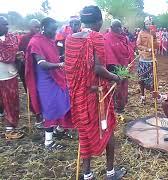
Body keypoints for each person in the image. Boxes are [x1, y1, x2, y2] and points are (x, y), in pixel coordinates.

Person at [64, 6, 126, 180]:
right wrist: (115, 77)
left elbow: (70, 70)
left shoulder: (70, 39)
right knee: (108, 128)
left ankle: (87, 174)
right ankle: (110, 173)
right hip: (97, 96)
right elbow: (98, 68)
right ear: (98, 21)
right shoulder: (96, 37)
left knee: (84, 133)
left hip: (78, 96)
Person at [25, 17, 73, 150]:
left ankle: (59, 130)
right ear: (44, 28)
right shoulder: (35, 42)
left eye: (55, 29)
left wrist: (61, 58)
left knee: (64, 102)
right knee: (50, 108)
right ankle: (48, 142)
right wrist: (60, 64)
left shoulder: (50, 40)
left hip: (57, 77)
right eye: (52, 29)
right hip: (45, 81)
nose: (54, 32)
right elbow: (42, 63)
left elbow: (53, 57)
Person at [0, 16, 23, 139]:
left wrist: (18, 56)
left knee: (11, 102)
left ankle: (10, 129)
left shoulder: (12, 38)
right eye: (4, 24)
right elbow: (7, 56)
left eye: (7, 24)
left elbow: (13, 54)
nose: (7, 27)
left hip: (8, 76)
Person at [104, 19, 134, 113]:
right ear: (112, 27)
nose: (119, 29)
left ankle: (121, 107)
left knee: (123, 87)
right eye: (117, 27)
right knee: (114, 88)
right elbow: (107, 55)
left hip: (124, 67)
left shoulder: (124, 38)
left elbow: (129, 50)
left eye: (120, 26)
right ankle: (112, 107)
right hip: (112, 69)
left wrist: (129, 63)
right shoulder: (106, 38)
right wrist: (114, 68)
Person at [18, 19, 43, 128]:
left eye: (39, 27)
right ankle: (37, 116)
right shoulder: (25, 39)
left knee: (41, 91)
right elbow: (20, 55)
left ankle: (43, 113)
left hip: (40, 70)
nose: (38, 29)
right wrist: (24, 59)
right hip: (28, 70)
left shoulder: (42, 38)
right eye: (36, 27)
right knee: (31, 92)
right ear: (30, 27)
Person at [136, 16, 157, 104]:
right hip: (143, 59)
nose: (148, 25)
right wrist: (147, 49)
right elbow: (138, 45)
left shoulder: (154, 33)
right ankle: (143, 96)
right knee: (141, 79)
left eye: (150, 24)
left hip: (152, 59)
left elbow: (157, 45)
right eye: (147, 24)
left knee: (153, 80)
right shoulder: (141, 33)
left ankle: (154, 97)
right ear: (144, 24)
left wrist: (155, 38)